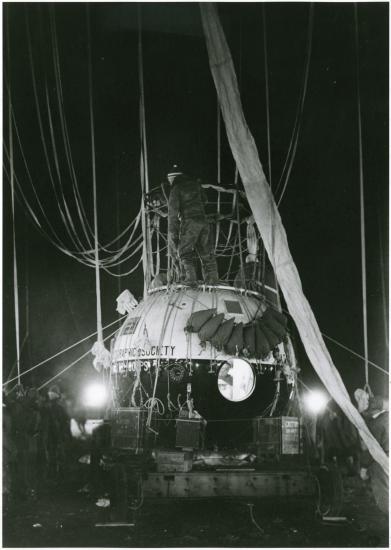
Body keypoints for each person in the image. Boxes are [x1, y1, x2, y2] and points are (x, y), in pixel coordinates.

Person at [167, 165, 219, 286]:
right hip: (203, 221)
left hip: (189, 222)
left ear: (173, 179)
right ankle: (212, 281)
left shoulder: (176, 189)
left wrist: (173, 233)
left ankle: (190, 279)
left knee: (183, 251)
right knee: (206, 252)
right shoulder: (196, 184)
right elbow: (205, 200)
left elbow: (172, 214)